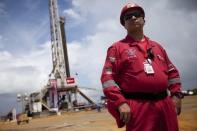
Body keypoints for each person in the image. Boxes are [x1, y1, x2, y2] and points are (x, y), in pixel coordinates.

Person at [100, 2, 184, 131]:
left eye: (136, 15)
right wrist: (120, 102)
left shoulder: (157, 47)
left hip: (165, 104)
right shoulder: (116, 48)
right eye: (128, 17)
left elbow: (173, 73)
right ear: (124, 24)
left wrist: (176, 95)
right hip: (139, 107)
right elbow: (107, 78)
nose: (133, 18)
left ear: (144, 20)